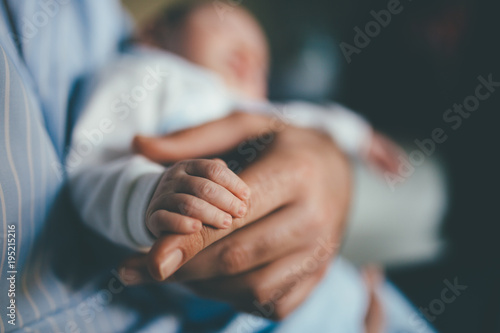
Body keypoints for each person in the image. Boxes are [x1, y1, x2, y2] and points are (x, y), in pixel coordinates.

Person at [0, 0, 430, 332]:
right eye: (229, 36)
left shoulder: (243, 106)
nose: (249, 58)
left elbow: (300, 116)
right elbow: (94, 165)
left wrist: (358, 135)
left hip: (320, 285)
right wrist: (148, 198)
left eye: (261, 63)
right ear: (152, 34)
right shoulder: (149, 75)